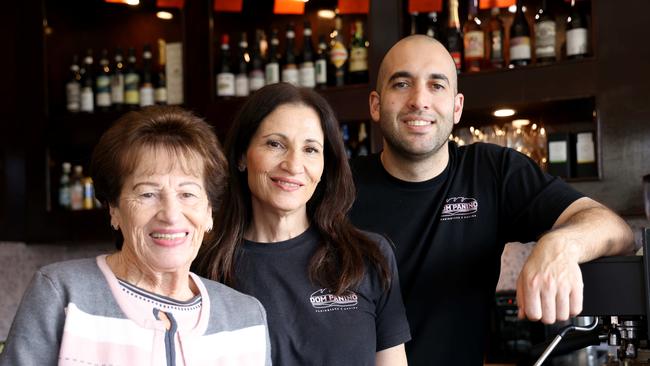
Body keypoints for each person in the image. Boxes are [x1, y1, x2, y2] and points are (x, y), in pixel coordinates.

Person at [348, 35, 635, 365]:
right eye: (401, 84)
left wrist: (559, 246)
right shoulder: (338, 187)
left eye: (436, 85)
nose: (419, 100)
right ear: (375, 104)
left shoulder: (490, 171)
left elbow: (615, 229)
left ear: (457, 107)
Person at [0, 106, 271, 365]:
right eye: (147, 194)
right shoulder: (61, 294)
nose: (171, 214)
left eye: (187, 194)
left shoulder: (246, 319)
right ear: (114, 210)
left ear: (209, 212)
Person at [195, 83, 411, 366]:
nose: (294, 164)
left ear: (325, 165)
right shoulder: (203, 267)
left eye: (310, 149)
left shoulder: (368, 257)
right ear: (241, 156)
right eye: (275, 144)